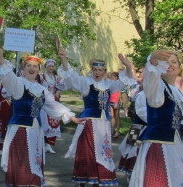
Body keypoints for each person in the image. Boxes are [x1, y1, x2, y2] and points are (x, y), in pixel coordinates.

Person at [0, 46, 83, 186]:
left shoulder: (42, 90)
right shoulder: (18, 83)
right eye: (29, 65)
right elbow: (7, 77)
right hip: (20, 130)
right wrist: (1, 59)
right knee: (20, 162)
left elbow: (54, 106)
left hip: (36, 131)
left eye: (35, 66)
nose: (32, 68)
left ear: (39, 70)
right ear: (23, 68)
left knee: (33, 161)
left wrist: (72, 117)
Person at [58, 48, 134, 187]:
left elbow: (125, 80)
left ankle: (98, 181)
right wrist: (64, 59)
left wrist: (128, 66)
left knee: (102, 151)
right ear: (92, 71)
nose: (97, 73)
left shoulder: (109, 85)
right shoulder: (86, 83)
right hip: (89, 123)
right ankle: (83, 180)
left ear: (104, 71)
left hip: (103, 124)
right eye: (95, 70)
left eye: (100, 70)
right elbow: (70, 77)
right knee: (88, 152)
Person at [129, 50, 183, 186]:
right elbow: (150, 79)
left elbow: (175, 119)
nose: (170, 64)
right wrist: (153, 60)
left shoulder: (177, 91)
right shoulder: (157, 88)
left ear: (179, 68)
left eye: (174, 62)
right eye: (165, 62)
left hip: (176, 146)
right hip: (159, 145)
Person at [40, 58, 67, 154]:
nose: (51, 68)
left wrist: (58, 91)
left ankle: (49, 144)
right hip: (45, 102)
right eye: (49, 66)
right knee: (45, 122)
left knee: (54, 122)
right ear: (46, 67)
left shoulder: (56, 77)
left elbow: (62, 86)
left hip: (54, 102)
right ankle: (42, 143)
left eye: (52, 66)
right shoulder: (42, 77)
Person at [108, 72, 122, 138]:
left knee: (117, 116)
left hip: (116, 101)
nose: (112, 78)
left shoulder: (118, 83)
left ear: (116, 77)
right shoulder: (111, 83)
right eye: (111, 76)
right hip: (110, 101)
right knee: (112, 116)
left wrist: (116, 102)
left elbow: (119, 94)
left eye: (113, 76)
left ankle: (117, 131)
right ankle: (112, 130)